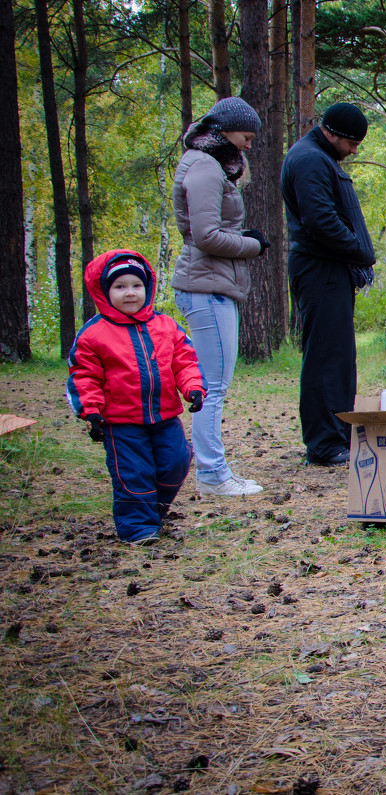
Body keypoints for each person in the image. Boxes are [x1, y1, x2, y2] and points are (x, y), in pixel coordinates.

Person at [67, 250, 208, 546]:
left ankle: (154, 507)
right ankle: (138, 528)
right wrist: (90, 411)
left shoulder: (166, 326)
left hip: (164, 415)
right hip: (121, 422)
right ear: (105, 291)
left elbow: (185, 361)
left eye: (136, 285)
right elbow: (84, 376)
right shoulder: (94, 334)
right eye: (120, 287)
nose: (130, 292)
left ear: (148, 288)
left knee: (177, 461)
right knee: (134, 473)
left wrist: (193, 387)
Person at [172, 96, 268, 497]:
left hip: (212, 284)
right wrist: (252, 245)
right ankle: (213, 474)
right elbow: (206, 236)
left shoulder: (208, 165)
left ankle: (213, 470)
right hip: (206, 287)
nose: (248, 145)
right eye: (246, 137)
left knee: (214, 385)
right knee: (213, 387)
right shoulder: (205, 168)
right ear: (226, 130)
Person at [281, 102, 376, 466]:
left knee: (338, 355)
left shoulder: (320, 158)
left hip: (331, 269)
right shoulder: (309, 160)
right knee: (324, 356)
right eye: (352, 143)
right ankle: (323, 443)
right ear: (334, 133)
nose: (354, 151)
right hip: (319, 268)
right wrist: (357, 251)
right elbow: (320, 220)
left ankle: (337, 435)